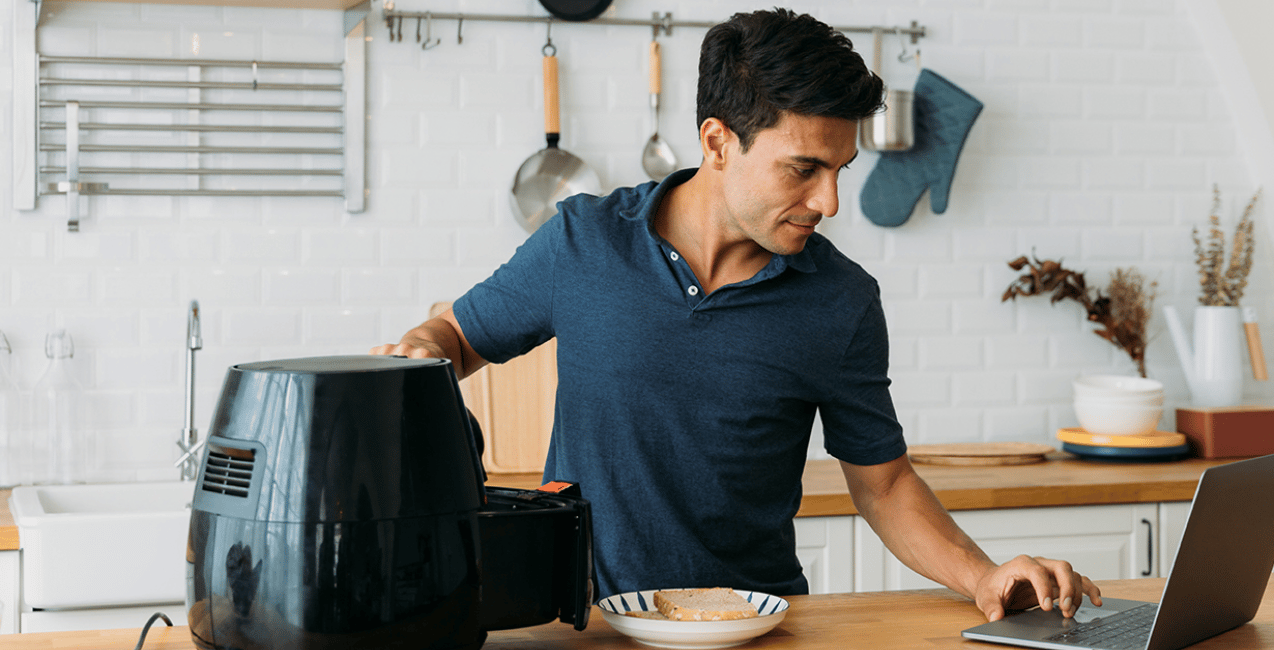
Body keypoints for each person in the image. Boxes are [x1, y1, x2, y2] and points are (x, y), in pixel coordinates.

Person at [371, 8, 1100, 622]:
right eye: (803, 169)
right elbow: (459, 337)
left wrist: (982, 577)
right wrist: (418, 352)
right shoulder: (581, 242)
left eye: (840, 170)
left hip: (750, 627)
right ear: (719, 142)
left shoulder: (840, 301)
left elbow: (884, 485)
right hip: (588, 624)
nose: (830, 203)